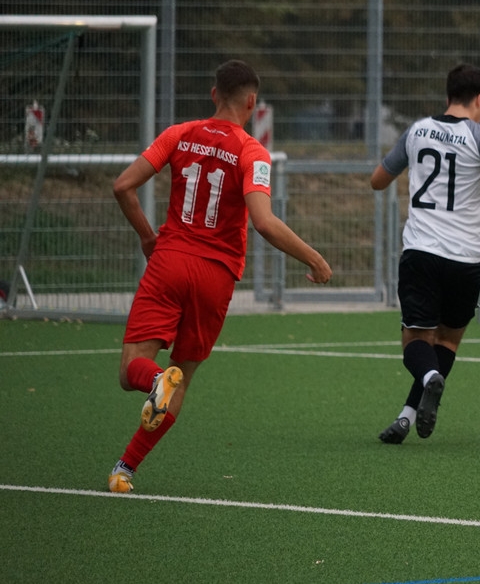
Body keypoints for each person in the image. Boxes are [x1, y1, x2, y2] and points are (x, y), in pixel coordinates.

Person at [107, 60, 332, 493]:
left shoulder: (178, 134)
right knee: (181, 379)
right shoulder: (252, 151)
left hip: (169, 262)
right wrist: (314, 259)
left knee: (130, 369)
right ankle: (125, 469)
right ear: (252, 102)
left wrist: (148, 236)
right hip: (216, 277)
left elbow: (122, 186)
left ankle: (152, 381)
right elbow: (263, 222)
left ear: (214, 94)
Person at [372, 63, 480, 444]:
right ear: (479, 100)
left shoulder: (417, 130)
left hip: (421, 251)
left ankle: (427, 382)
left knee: (416, 342)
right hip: (466, 259)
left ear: (449, 94)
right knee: (447, 342)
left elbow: (378, 180)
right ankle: (406, 416)